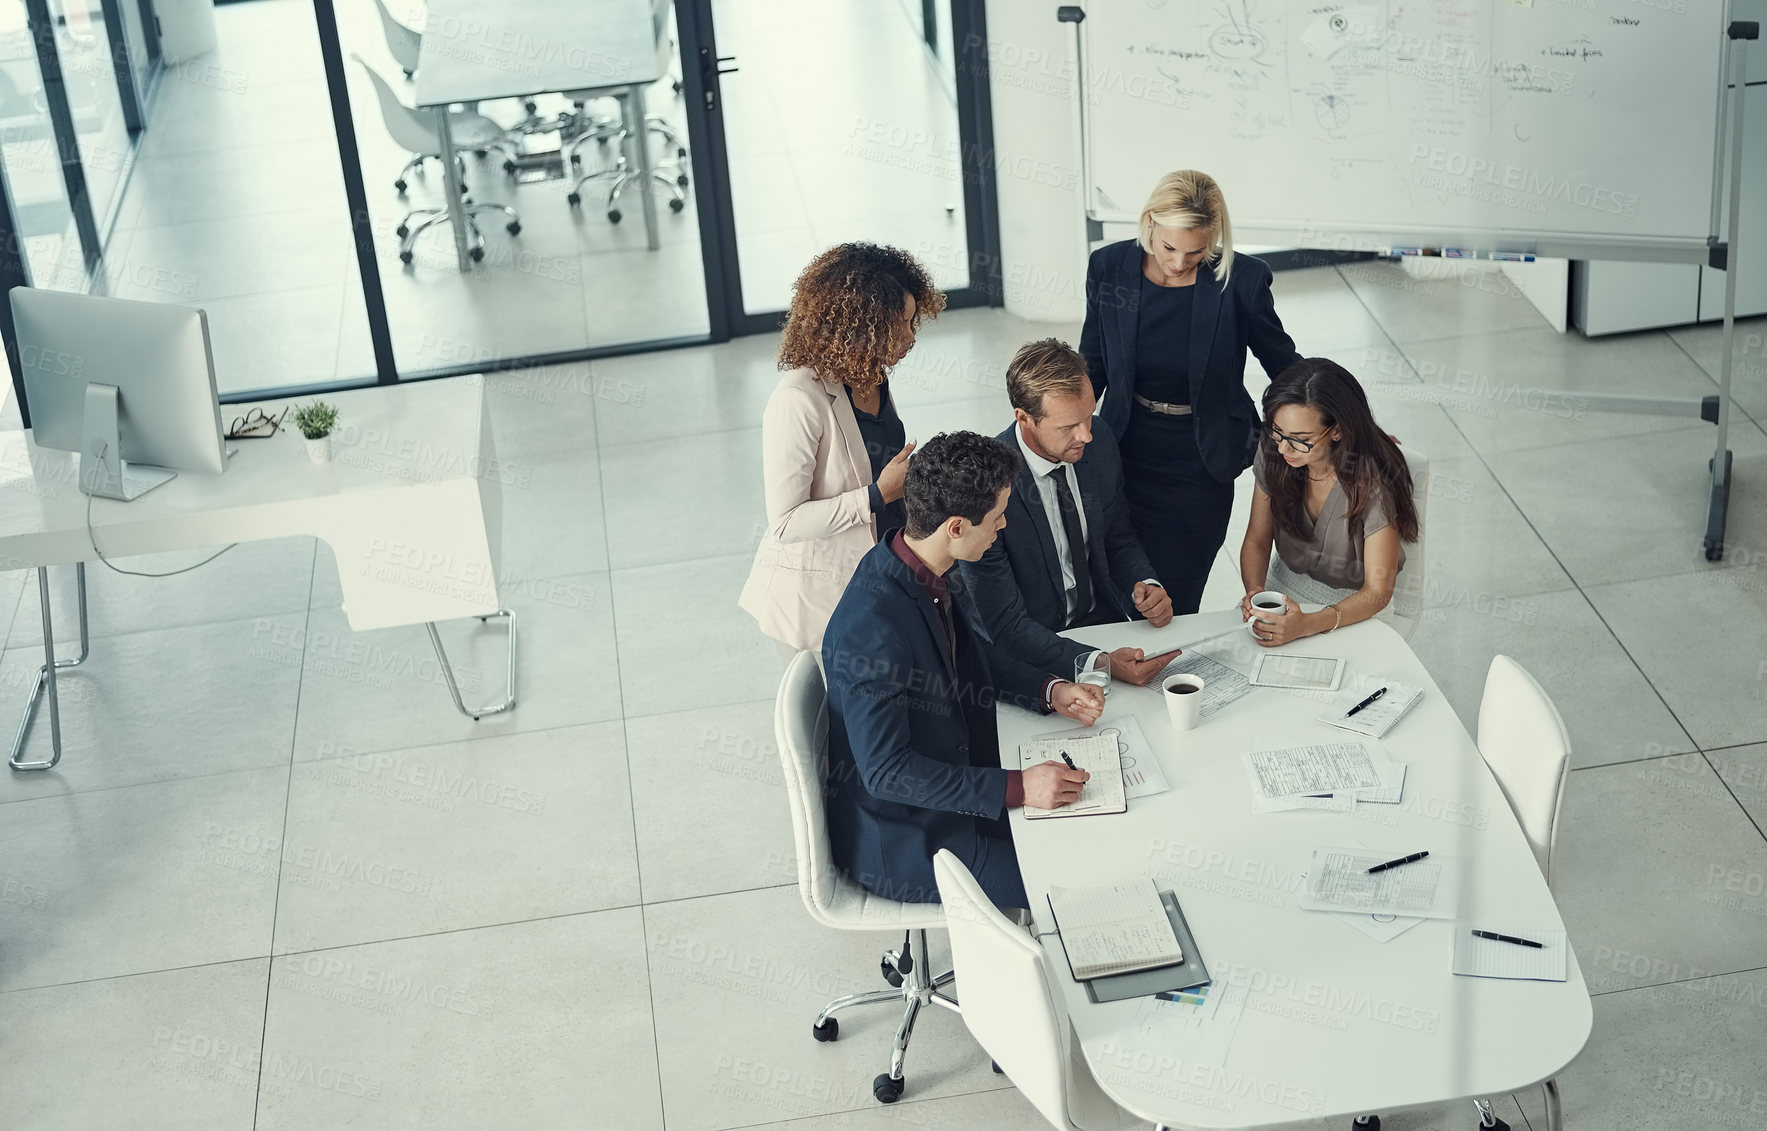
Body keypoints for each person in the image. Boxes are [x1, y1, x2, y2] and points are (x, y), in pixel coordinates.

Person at [822, 431, 1104, 910]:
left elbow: (967, 656)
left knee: (1089, 834)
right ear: (956, 526)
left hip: (954, 793)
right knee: (1076, 881)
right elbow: (888, 772)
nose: (1002, 527)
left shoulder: (911, 565)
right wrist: (1018, 786)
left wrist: (1048, 689)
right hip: (913, 841)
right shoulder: (874, 630)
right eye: (995, 519)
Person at [1078, 169, 1302, 615]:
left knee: (1174, 603)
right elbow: (1092, 364)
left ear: (1215, 237)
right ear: (1149, 225)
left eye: (1196, 252)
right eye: (1168, 247)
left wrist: (1348, 419)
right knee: (1113, 588)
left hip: (1201, 463)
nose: (1180, 262)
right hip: (1125, 448)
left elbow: (1284, 364)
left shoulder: (1241, 280)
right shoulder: (1109, 268)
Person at [739, 243, 945, 660]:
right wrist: (877, 495)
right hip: (818, 601)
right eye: (898, 326)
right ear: (859, 328)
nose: (910, 338)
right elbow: (786, 523)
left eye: (912, 322)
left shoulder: (872, 373)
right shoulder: (797, 398)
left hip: (880, 572)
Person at [960, 338, 1178, 686]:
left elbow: (1119, 539)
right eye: (1068, 427)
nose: (1086, 435)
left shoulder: (1099, 440)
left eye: (1088, 417)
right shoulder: (984, 488)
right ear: (1024, 418)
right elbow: (1005, 625)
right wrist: (1101, 663)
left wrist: (1146, 584)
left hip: (1101, 623)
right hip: (1029, 651)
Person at [1238, 359, 1420, 645]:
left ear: (1337, 431)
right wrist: (1255, 593)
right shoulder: (1275, 450)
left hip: (1354, 608)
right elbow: (1257, 540)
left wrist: (1308, 624)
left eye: (1301, 439)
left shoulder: (1372, 483)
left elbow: (1377, 592)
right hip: (1283, 587)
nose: (1283, 448)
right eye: (1278, 432)